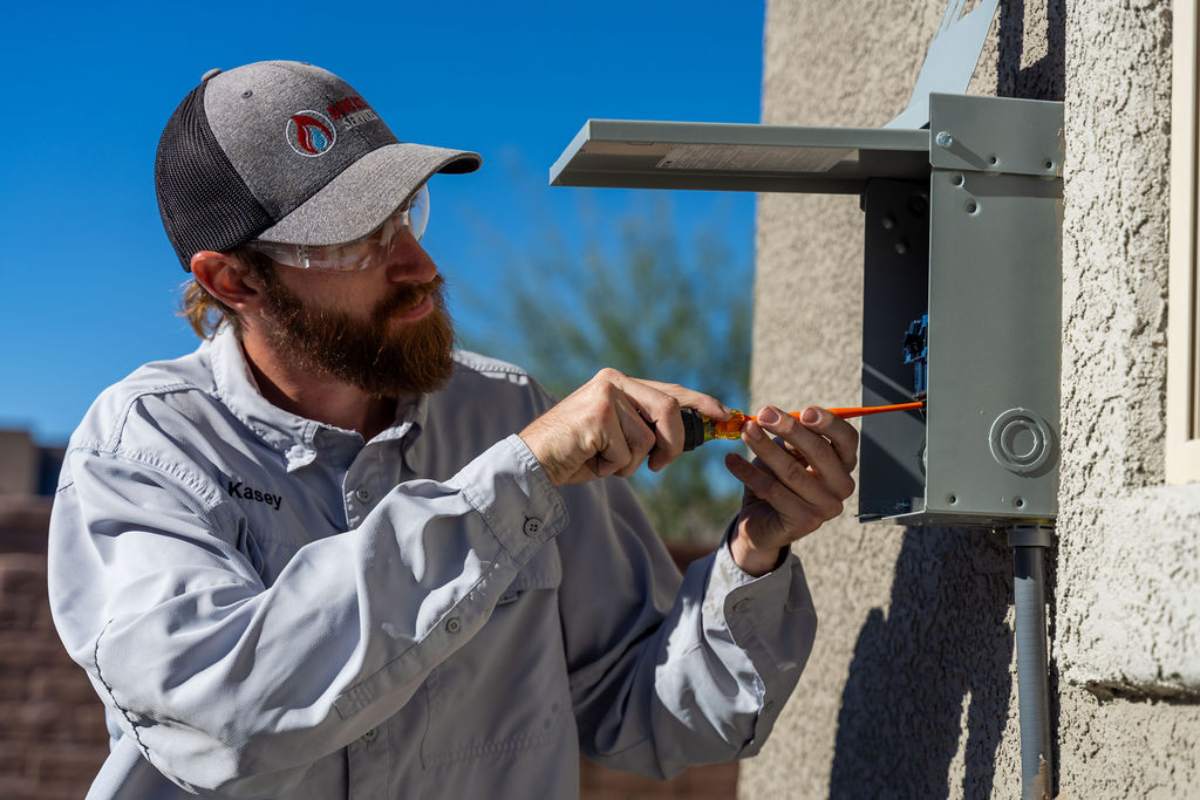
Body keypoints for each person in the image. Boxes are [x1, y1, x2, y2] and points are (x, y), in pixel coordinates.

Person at [47, 61, 859, 799]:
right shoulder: (146, 449)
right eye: (356, 242)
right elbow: (224, 718)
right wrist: (517, 481)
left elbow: (651, 718)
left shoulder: (503, 414)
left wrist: (754, 553)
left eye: (405, 217)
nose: (419, 267)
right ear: (232, 279)